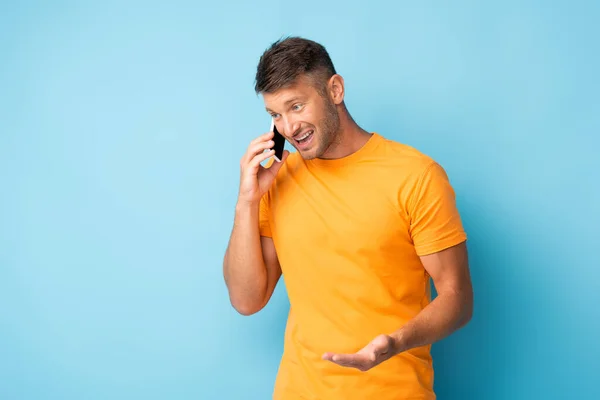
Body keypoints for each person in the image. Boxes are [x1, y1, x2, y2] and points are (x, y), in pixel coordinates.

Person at [223, 36, 474, 400]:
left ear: (335, 90)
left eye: (296, 106)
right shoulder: (276, 180)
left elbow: (457, 297)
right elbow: (246, 300)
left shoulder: (415, 175)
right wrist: (246, 202)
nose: (289, 128)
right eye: (275, 115)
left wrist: (395, 341)